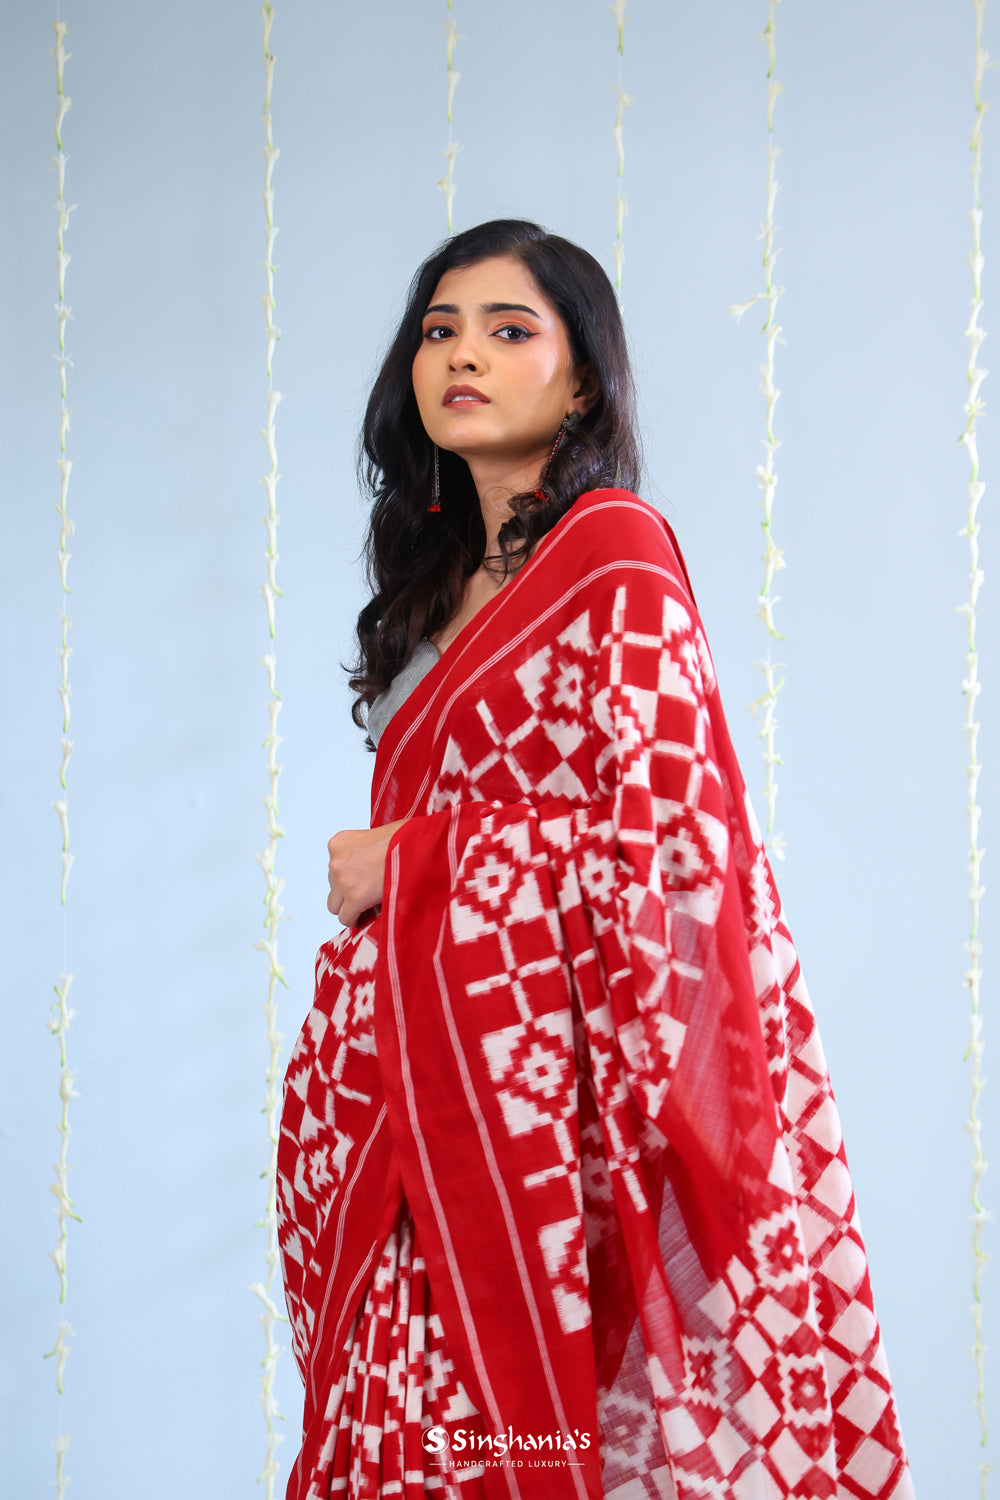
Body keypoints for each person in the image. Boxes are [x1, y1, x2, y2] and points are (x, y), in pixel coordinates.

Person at [276, 220, 913, 1500]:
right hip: (403, 1087)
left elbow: (678, 852)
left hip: (541, 1130)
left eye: (511, 330)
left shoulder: (613, 554)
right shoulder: (435, 584)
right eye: (438, 330)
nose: (463, 354)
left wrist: (422, 857)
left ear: (582, 381)